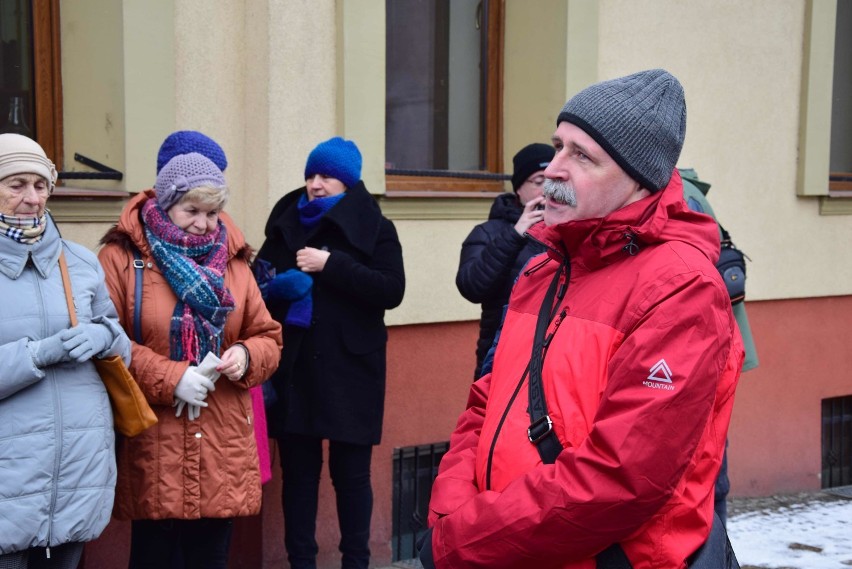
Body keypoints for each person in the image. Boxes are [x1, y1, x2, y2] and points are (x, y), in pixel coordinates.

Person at [419, 69, 744, 568]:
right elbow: (485, 403)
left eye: (582, 156)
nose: (553, 169)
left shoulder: (681, 289)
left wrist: (464, 540)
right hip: (500, 549)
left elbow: (617, 480)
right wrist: (450, 511)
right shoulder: (547, 265)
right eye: (558, 146)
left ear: (639, 181)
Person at [97, 150, 282, 569]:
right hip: (155, 439)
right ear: (165, 204)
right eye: (191, 210)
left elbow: (268, 336)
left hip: (222, 443)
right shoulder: (122, 257)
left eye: (213, 212)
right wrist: (172, 377)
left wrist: (245, 354)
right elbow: (107, 343)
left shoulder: (233, 260)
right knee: (153, 557)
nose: (203, 224)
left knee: (210, 557)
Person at [257, 136, 405, 569]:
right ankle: (300, 561)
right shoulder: (285, 220)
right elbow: (259, 282)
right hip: (297, 365)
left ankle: (356, 561)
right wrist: (280, 285)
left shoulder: (376, 227)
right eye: (311, 175)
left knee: (351, 476)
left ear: (348, 182)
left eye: (327, 177)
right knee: (299, 477)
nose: (316, 184)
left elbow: (391, 290)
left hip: (350, 367)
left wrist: (331, 265)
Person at [0, 133, 131, 568]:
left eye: (40, 185)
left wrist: (104, 337)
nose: (31, 198)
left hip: (79, 468)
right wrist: (35, 355)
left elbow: (121, 349)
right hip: (10, 475)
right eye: (15, 184)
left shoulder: (80, 261)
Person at [680, 168, 759, 526]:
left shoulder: (682, 195)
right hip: (710, 346)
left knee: (708, 471)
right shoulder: (686, 189)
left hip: (705, 351)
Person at [456, 143, 554, 379]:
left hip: (552, 357)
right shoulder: (488, 232)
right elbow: (472, 286)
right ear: (519, 189)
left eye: (552, 180)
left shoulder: (565, 231)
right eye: (539, 181)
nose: (547, 189)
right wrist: (515, 234)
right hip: (500, 356)